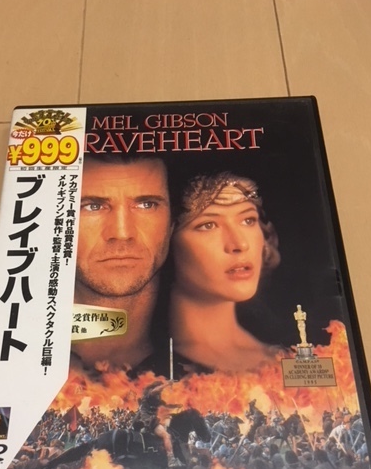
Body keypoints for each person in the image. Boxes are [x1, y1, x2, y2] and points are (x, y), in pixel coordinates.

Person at [169, 172, 280, 372]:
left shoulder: (286, 355)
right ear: (166, 242)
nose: (240, 244)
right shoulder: (148, 374)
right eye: (208, 225)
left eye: (248, 220)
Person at [71, 155, 173, 370]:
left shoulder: (215, 371)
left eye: (146, 205)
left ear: (172, 224)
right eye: (92, 206)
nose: (122, 233)